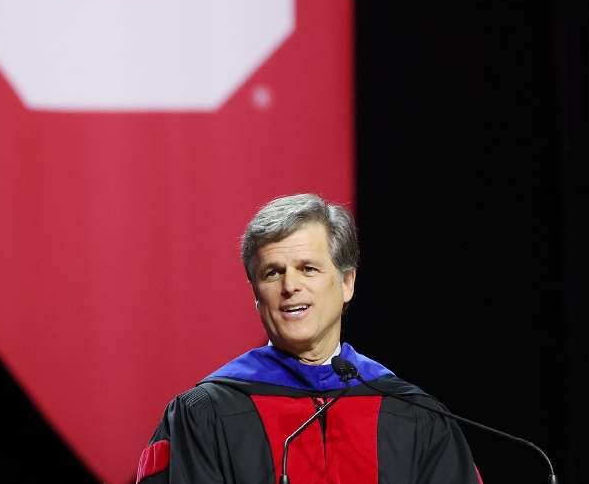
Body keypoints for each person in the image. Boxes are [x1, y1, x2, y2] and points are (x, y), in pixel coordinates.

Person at [134, 194, 480, 483]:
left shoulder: (413, 414)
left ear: (347, 283)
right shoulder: (205, 414)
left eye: (308, 268)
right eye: (273, 273)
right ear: (256, 295)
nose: (289, 286)